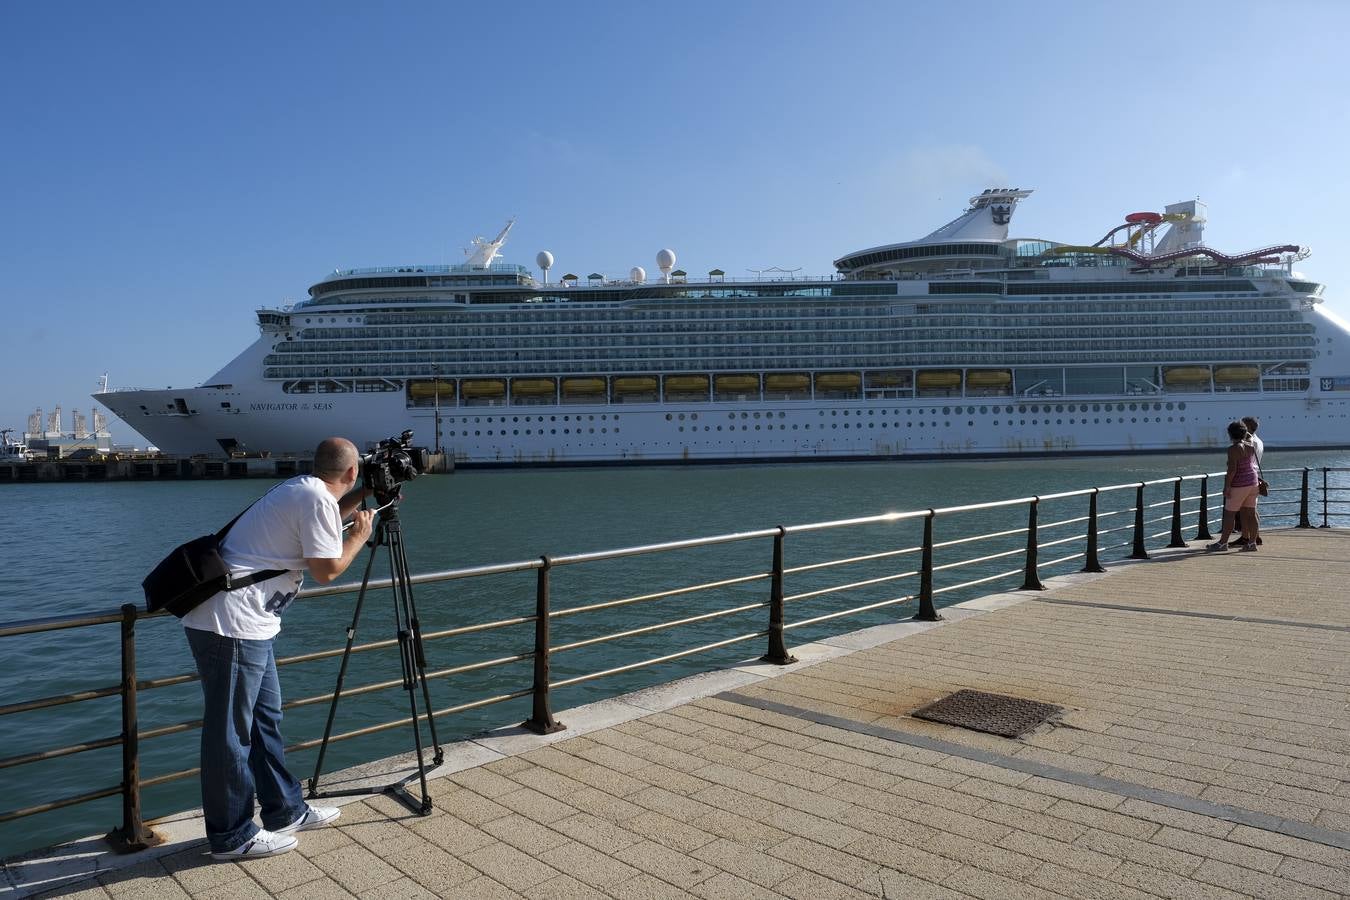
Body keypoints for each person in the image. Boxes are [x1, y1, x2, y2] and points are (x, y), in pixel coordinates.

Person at [182, 437, 375, 859]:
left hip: (249, 623)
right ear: (351, 471)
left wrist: (364, 494)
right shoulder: (314, 498)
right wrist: (360, 535)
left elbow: (321, 529)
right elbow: (327, 569)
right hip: (231, 624)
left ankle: (285, 810)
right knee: (230, 733)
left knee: (264, 718)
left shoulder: (305, 490)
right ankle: (230, 836)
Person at [1206, 421, 1260, 552]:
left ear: (1230, 434)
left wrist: (1227, 486)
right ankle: (1252, 543)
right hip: (1253, 483)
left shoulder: (1233, 449)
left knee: (1229, 514)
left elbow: (1232, 470)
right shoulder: (1251, 447)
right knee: (1251, 514)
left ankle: (1223, 544)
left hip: (1239, 485)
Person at [1233, 416, 1264, 548]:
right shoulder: (1259, 441)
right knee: (1249, 510)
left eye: (1243, 424)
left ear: (1248, 427)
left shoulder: (1249, 441)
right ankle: (1250, 537)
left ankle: (1251, 538)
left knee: (1248, 511)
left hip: (1246, 477)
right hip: (1254, 477)